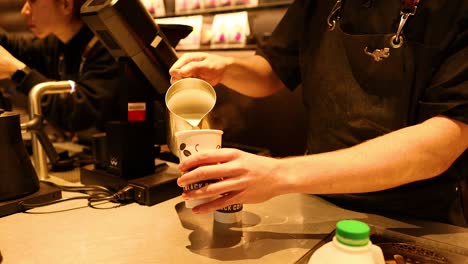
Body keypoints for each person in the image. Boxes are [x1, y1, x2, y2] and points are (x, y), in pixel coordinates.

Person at [169, 0, 468, 226]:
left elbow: (442, 143)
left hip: (417, 217)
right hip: (318, 200)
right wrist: (227, 68)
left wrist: (278, 174)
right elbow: (272, 71)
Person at [0, 0, 121, 133]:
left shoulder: (109, 47)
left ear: (66, 5)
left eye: (33, 2)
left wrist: (17, 72)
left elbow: (81, 115)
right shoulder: (57, 43)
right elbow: (15, 48)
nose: (24, 11)